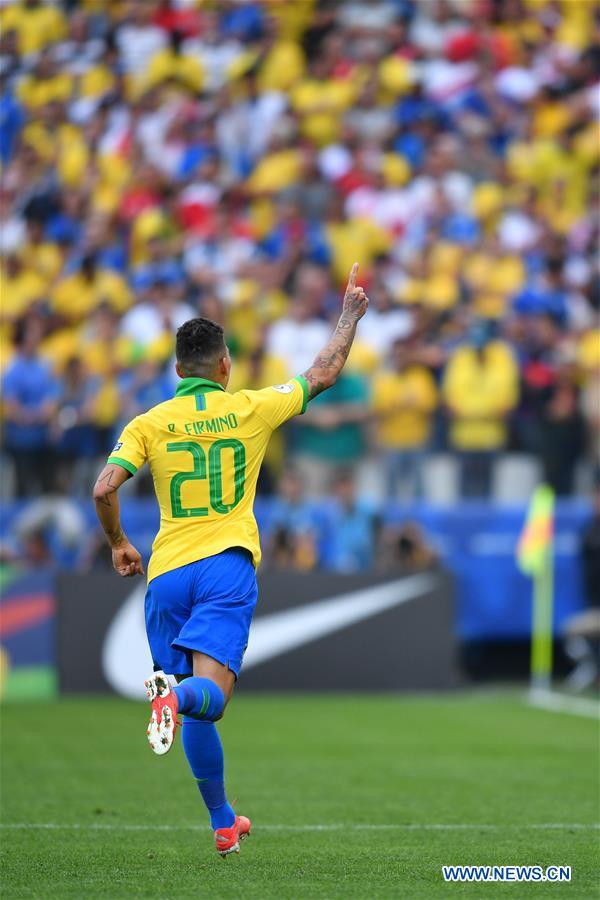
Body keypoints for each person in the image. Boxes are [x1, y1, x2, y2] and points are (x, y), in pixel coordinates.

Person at [92, 263, 369, 856]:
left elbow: (103, 488)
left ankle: (222, 822)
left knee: (195, 708)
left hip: (165, 575)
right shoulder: (250, 407)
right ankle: (170, 694)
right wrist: (348, 314)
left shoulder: (149, 422)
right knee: (206, 698)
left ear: (175, 371)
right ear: (224, 366)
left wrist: (118, 542)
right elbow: (323, 373)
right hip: (224, 566)